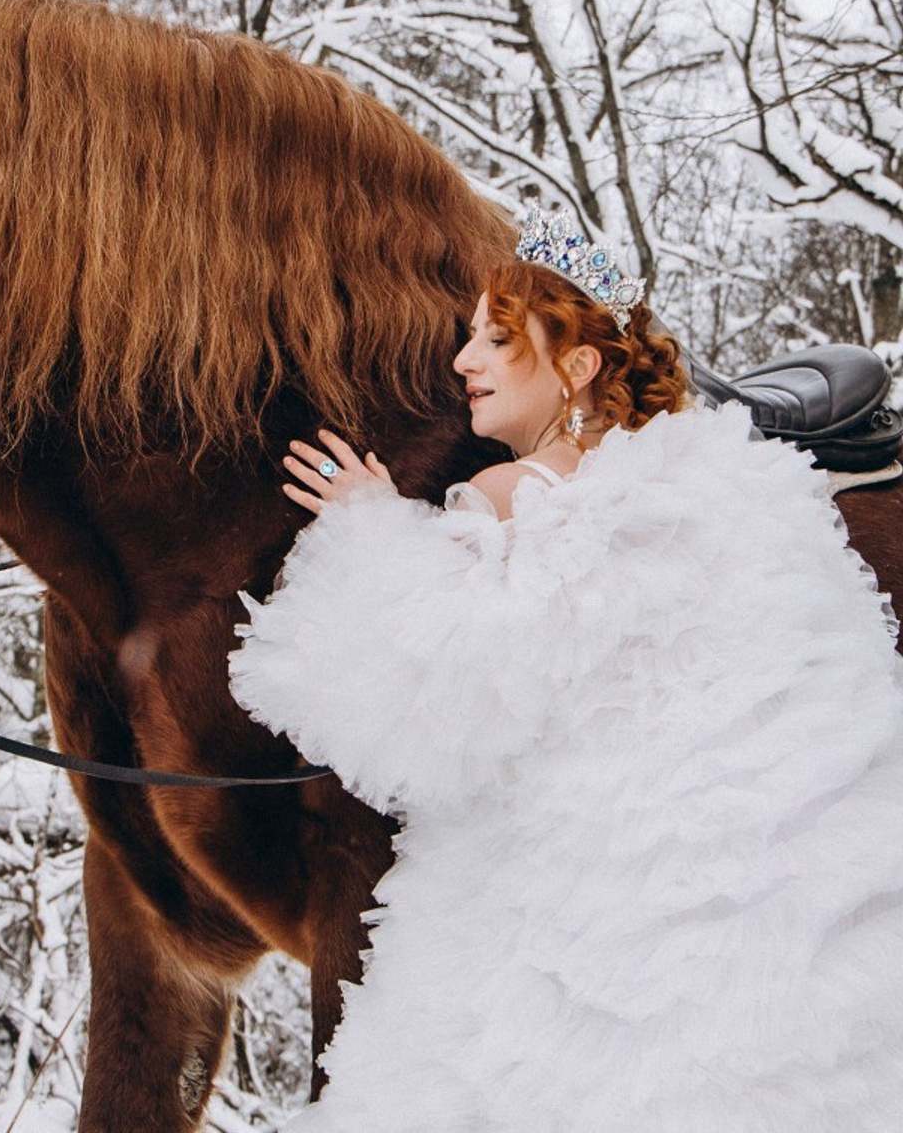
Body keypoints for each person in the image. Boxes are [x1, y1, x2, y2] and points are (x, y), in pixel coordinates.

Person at [229, 206, 903, 1131]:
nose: (464, 360)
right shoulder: (710, 477)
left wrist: (369, 527)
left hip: (572, 911)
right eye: (471, 336)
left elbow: (424, 711)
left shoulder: (515, 493)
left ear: (578, 366)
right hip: (763, 917)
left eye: (496, 339)